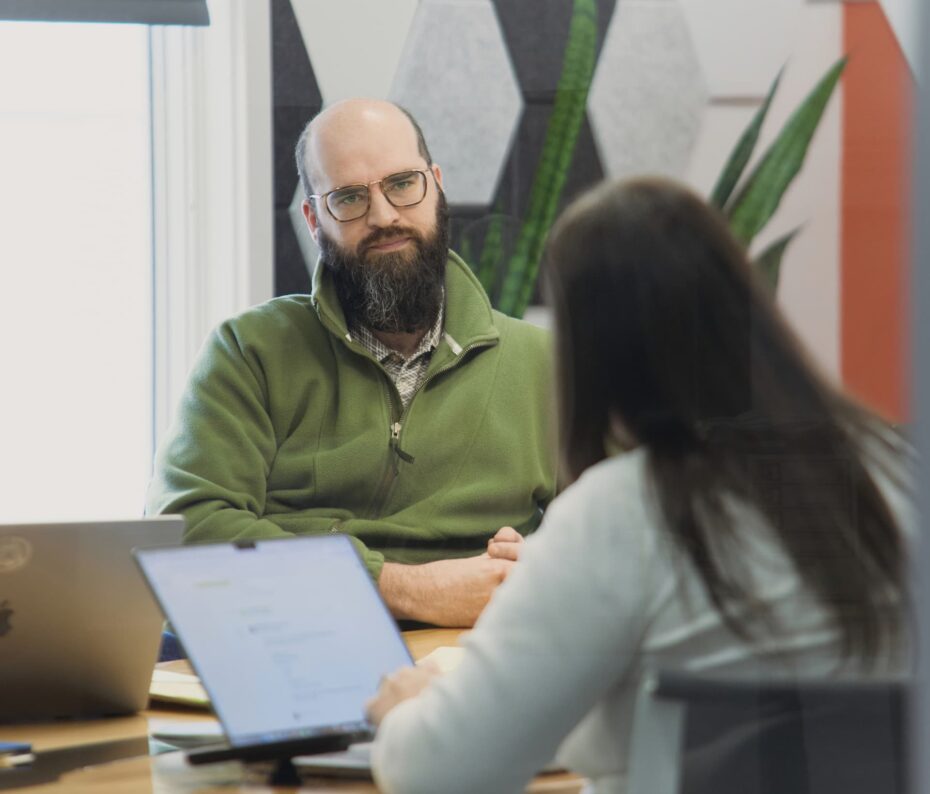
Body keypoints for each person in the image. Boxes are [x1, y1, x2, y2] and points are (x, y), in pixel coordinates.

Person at [366, 177, 912, 793]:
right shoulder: (898, 471)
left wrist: (408, 710)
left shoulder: (622, 513)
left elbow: (441, 772)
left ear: (594, 352)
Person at [146, 99, 556, 628]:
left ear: (436, 186)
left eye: (402, 184)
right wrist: (401, 588)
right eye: (349, 197)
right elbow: (185, 528)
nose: (384, 215)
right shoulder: (250, 352)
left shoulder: (545, 364)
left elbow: (627, 528)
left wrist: (542, 565)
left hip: (478, 661)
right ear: (315, 219)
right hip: (290, 644)